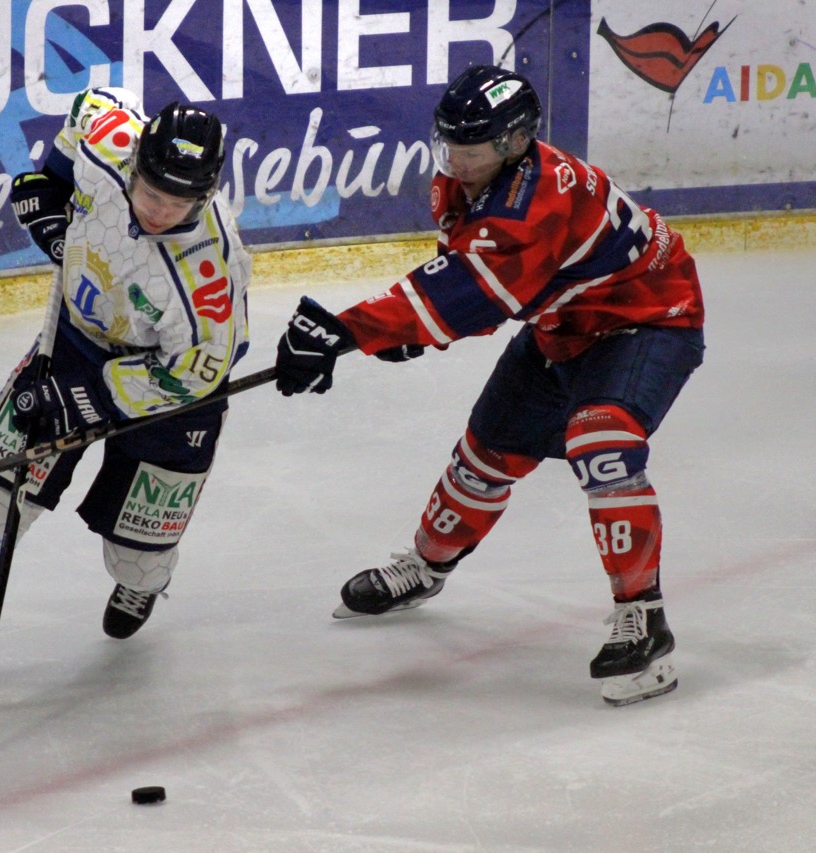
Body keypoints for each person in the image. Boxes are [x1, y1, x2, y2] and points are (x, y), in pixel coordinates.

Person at [273, 65, 705, 706]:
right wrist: (413, 332)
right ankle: (426, 567)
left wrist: (349, 331)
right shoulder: (464, 183)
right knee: (485, 456)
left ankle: (644, 618)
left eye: (469, 148)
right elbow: (476, 283)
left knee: (602, 444)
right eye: (448, 143)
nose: (454, 159)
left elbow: (472, 290)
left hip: (648, 321)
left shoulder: (536, 202)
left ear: (515, 143)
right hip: (562, 325)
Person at [0, 88, 250, 689]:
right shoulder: (110, 142)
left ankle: (143, 581)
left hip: (172, 398)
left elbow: (201, 371)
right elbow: (89, 106)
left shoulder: (211, 272)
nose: (159, 212)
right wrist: (52, 183)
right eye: (151, 193)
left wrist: (83, 399)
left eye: (178, 203)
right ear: (135, 163)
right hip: (73, 345)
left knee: (136, 561)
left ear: (206, 195)